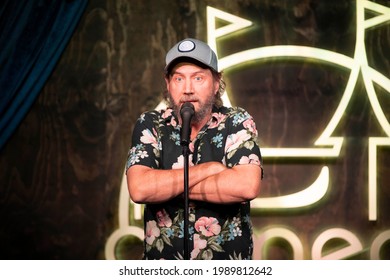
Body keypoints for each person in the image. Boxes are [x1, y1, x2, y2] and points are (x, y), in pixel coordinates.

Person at [126, 38, 263, 260]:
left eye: (198, 78)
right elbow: (140, 189)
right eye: (179, 78)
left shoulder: (235, 121)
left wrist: (163, 189)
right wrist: (210, 168)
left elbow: (246, 186)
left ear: (217, 82)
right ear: (168, 84)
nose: (188, 89)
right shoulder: (151, 123)